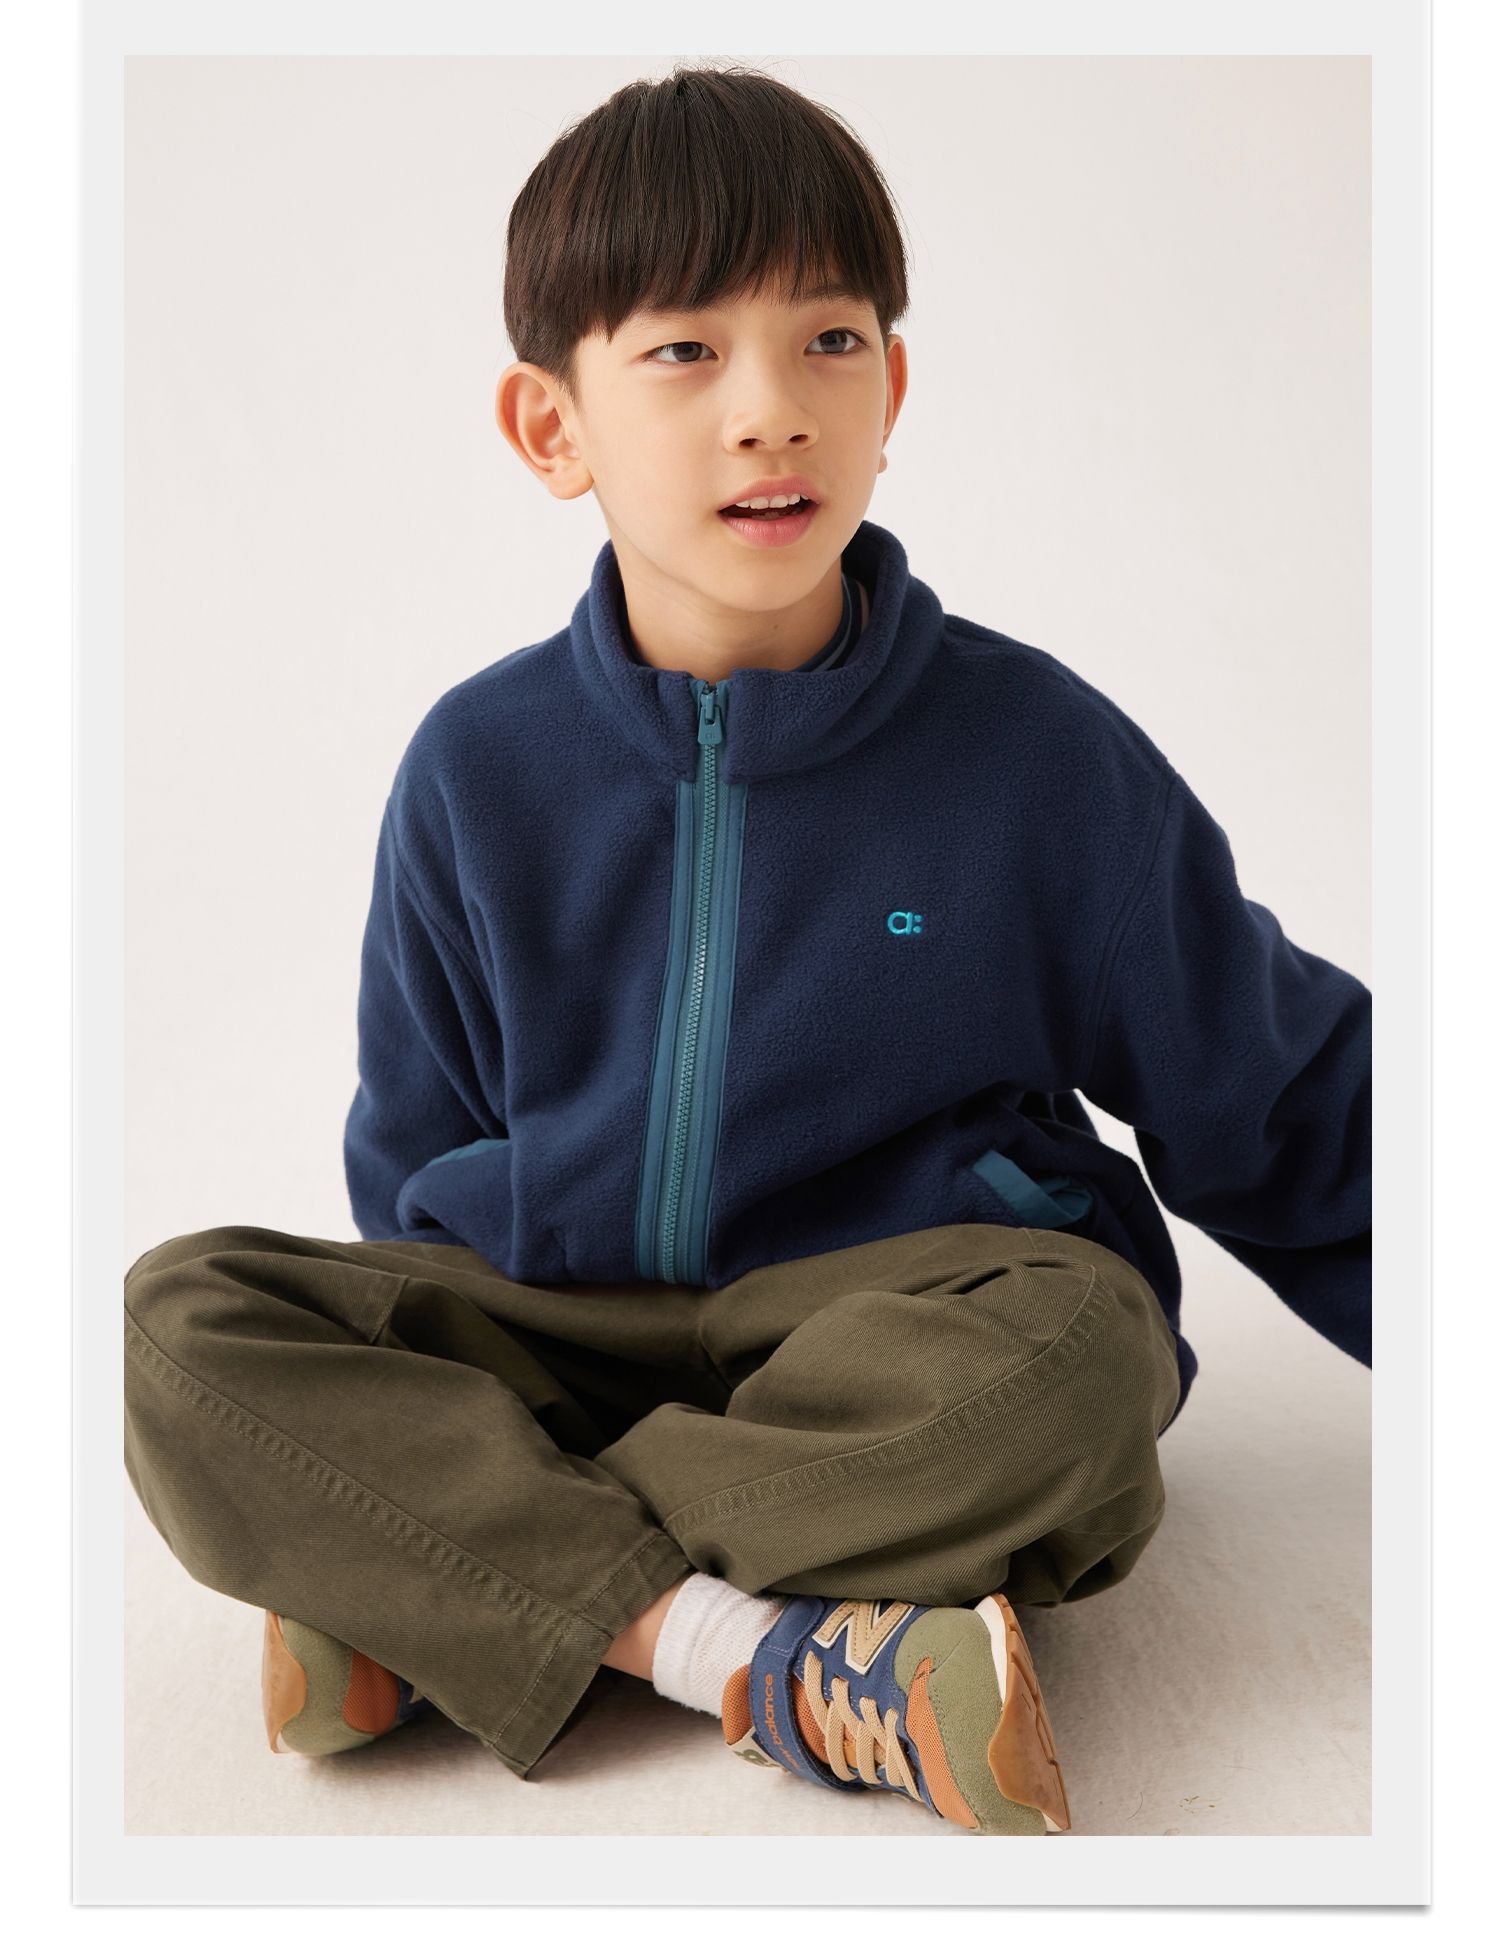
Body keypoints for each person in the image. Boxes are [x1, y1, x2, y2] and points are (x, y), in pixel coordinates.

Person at [123, 63, 1371, 1838]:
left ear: (893, 391)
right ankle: (760, 1656)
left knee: (1084, 1364)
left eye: (829, 342)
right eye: (686, 351)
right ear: (552, 426)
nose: (771, 409)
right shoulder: (477, 770)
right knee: (177, 1325)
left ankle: (441, 1581)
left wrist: (410, 1489)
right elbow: (415, 1167)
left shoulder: (1035, 758)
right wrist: (436, 1370)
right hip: (567, 1326)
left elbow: (1292, 1100)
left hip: (896, 1338)